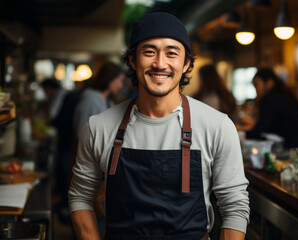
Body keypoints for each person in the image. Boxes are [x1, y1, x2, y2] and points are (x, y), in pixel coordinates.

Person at [69, 12, 249, 240]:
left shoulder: (218, 126)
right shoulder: (98, 127)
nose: (160, 64)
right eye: (149, 52)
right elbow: (80, 196)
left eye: (172, 53)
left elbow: (234, 206)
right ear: (133, 61)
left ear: (186, 64)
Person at [246, 68, 298, 149]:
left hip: (290, 148)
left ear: (269, 83)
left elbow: (261, 131)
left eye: (256, 84)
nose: (256, 89)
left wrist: (241, 133)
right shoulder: (285, 96)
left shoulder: (269, 99)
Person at [73, 62, 125, 138]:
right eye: (120, 80)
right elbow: (81, 131)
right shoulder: (90, 99)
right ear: (111, 78)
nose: (121, 85)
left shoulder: (108, 101)